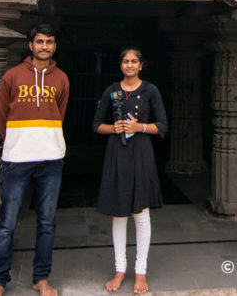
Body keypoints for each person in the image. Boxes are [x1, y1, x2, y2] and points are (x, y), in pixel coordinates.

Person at [0, 24, 69, 296]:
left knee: (47, 222)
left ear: (55, 46)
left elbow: (60, 114)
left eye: (49, 42)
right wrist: (15, 141)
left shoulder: (62, 79)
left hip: (50, 159)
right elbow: (1, 115)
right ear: (31, 45)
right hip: (17, 158)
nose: (44, 46)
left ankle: (41, 278)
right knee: (7, 223)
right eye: (40, 42)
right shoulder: (12, 76)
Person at [92, 48, 168, 295]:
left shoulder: (150, 90)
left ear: (141, 65)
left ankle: (141, 270)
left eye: (134, 61)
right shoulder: (112, 91)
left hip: (141, 153)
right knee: (119, 213)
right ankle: (120, 269)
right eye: (125, 61)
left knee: (141, 212)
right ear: (120, 64)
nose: (129, 65)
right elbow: (96, 125)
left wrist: (139, 127)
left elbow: (163, 125)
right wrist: (113, 128)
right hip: (117, 152)